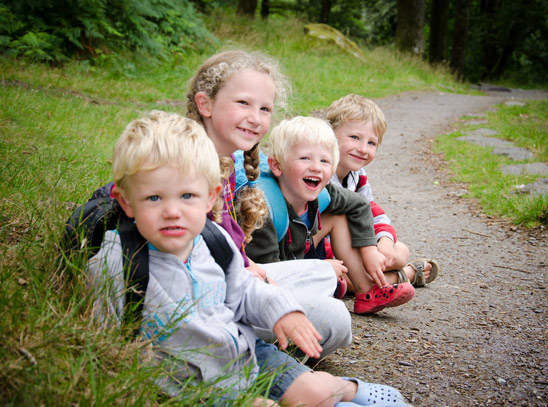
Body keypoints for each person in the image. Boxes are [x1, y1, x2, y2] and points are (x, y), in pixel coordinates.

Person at [88, 110, 412, 407]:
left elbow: (244, 289)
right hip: (188, 383)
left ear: (210, 197)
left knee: (317, 393)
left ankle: (344, 389)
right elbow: (109, 350)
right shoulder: (119, 263)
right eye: (154, 197)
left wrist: (281, 312)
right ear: (126, 202)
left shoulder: (215, 242)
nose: (173, 211)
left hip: (247, 356)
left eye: (187, 196)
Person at [186, 49, 351, 356]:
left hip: (232, 281)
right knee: (335, 319)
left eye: (265, 109)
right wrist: (243, 269)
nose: (255, 118)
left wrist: (246, 265)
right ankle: (253, 351)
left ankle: (258, 341)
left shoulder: (228, 164)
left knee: (324, 274)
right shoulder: (187, 161)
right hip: (203, 296)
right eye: (243, 103)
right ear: (205, 103)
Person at [245, 116, 416, 315]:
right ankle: (396, 276)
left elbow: (360, 204)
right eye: (305, 158)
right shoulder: (262, 210)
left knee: (339, 217)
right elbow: (270, 275)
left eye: (324, 161)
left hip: (299, 249)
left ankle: (367, 291)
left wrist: (369, 250)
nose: (316, 167)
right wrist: (319, 270)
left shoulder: (324, 191)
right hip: (272, 273)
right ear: (277, 166)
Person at [325, 94, 439, 288]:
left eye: (371, 143)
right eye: (354, 137)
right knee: (346, 280)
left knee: (400, 251)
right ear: (329, 134)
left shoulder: (358, 175)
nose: (363, 149)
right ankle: (405, 276)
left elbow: (372, 214)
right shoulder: (320, 172)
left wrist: (384, 242)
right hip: (328, 251)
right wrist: (359, 257)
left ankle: (382, 273)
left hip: (356, 244)